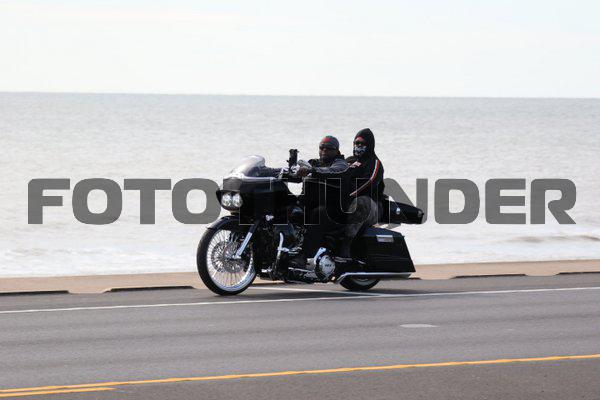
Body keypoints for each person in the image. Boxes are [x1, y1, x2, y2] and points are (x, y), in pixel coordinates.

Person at [295, 135, 349, 264]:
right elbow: (294, 173)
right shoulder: (313, 163)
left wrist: (312, 171)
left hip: (335, 211)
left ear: (337, 151)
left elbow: (333, 171)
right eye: (322, 147)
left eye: (328, 148)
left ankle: (304, 256)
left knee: (317, 214)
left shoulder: (341, 164)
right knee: (288, 208)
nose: (324, 150)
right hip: (311, 204)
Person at [339, 128, 385, 258]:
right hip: (348, 201)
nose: (358, 146)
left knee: (361, 202)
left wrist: (349, 196)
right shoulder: (349, 161)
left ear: (369, 145)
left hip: (372, 206)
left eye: (362, 144)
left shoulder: (374, 162)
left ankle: (346, 245)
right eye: (356, 143)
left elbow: (369, 183)